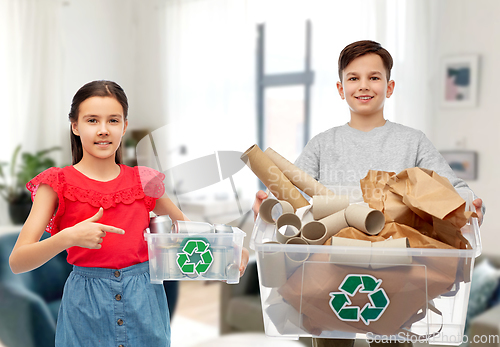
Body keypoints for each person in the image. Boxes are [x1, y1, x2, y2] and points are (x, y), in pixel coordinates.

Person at [252, 40, 484, 347]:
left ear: (389, 87)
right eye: (353, 78)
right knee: (331, 339)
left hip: (397, 262)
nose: (364, 86)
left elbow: (454, 190)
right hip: (332, 263)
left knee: (394, 339)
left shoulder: (412, 142)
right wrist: (268, 206)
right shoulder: (323, 144)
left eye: (374, 77)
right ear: (340, 88)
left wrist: (470, 207)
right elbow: (289, 194)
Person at [9, 80, 249, 347]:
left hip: (145, 302)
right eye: (92, 120)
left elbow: (189, 232)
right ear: (75, 126)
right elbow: (18, 262)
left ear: (124, 126)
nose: (103, 130)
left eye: (113, 120)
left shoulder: (145, 181)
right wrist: (68, 237)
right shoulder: (55, 183)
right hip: (85, 306)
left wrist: (230, 250)